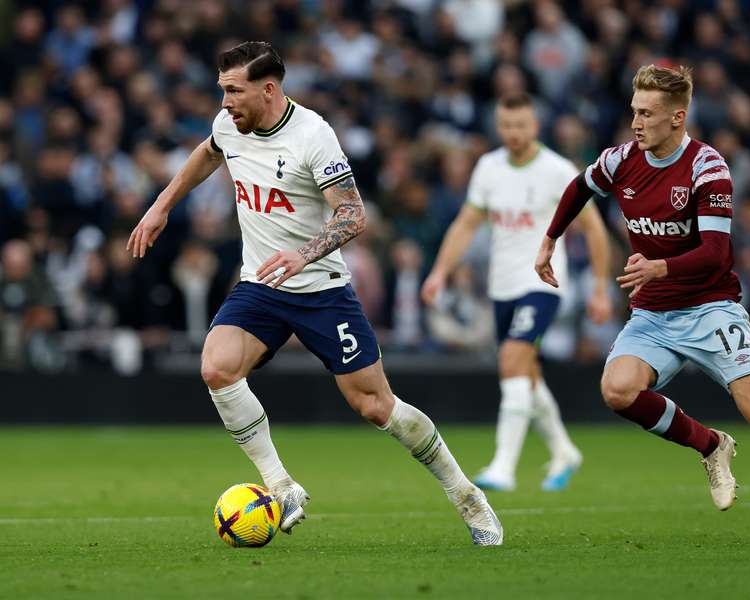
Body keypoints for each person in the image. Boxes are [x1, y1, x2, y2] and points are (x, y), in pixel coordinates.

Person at [127, 42, 502, 546]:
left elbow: (353, 214)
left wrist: (304, 255)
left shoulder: (313, 136)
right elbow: (207, 153)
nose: (224, 104)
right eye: (221, 91)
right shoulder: (228, 126)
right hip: (260, 285)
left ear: (268, 88)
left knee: (375, 406)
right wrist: (161, 206)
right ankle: (281, 486)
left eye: (233, 91)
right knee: (217, 368)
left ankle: (465, 494)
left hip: (321, 291)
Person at [535, 64, 750, 543]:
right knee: (618, 390)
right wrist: (549, 239)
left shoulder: (707, 167)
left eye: (647, 114)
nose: (636, 123)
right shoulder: (621, 159)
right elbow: (581, 186)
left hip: (711, 309)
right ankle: (710, 444)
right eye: (634, 112)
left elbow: (716, 253)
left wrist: (658, 268)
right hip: (652, 314)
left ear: (677, 117)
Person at [422, 93, 612, 492]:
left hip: (541, 285)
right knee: (524, 373)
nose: (513, 133)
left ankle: (503, 467)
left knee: (511, 361)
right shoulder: (489, 168)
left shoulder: (557, 170)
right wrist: (440, 271)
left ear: (535, 126)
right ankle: (564, 450)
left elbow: (594, 228)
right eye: (506, 125)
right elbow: (466, 224)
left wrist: (598, 288)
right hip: (502, 287)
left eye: (521, 125)